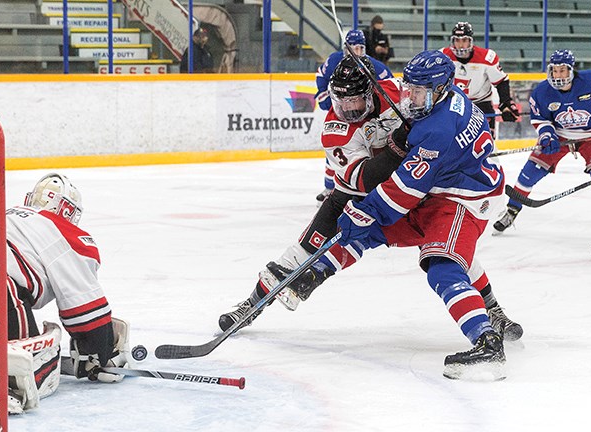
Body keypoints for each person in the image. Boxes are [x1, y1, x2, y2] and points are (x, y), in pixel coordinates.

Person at [220, 54, 519, 379]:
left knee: (444, 260)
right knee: (312, 247)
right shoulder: (340, 129)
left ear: (372, 91)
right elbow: (363, 179)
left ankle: (487, 334)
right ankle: (257, 302)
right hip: (368, 189)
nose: (349, 108)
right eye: (342, 101)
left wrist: (378, 200)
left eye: (357, 99)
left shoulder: (404, 101)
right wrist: (395, 154)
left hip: (447, 193)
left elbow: (406, 185)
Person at [333, 50, 511, 379]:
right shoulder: (452, 95)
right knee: (378, 234)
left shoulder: (437, 132)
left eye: (419, 92)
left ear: (440, 88)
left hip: (464, 198)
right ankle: (493, 310)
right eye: (409, 89)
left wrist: (364, 210)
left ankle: (488, 344)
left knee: (443, 265)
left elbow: (402, 193)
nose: (411, 98)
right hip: (448, 189)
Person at [4, 173, 130, 413]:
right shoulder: (62, 230)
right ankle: (1, 384)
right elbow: (87, 313)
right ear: (66, 209)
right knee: (24, 364)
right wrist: (102, 352)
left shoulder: (7, 214)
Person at [492, 49, 591, 239]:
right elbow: (541, 120)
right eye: (555, 70)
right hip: (560, 136)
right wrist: (547, 136)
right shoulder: (542, 92)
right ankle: (512, 210)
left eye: (563, 70)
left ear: (571, 70)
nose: (558, 75)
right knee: (532, 170)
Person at [314, 29, 393, 202]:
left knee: (370, 149)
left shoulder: (375, 66)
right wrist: (324, 96)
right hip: (340, 112)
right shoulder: (335, 60)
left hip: (366, 116)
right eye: (353, 48)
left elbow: (388, 86)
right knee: (335, 152)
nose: (357, 53)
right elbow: (321, 76)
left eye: (360, 48)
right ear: (346, 48)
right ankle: (330, 188)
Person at [441, 22, 519, 135]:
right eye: (457, 40)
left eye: (464, 40)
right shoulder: (443, 56)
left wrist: (505, 104)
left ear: (470, 41)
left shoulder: (486, 58)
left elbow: (501, 81)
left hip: (481, 104)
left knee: (485, 143)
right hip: (453, 104)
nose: (460, 45)